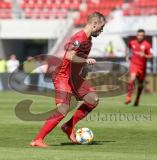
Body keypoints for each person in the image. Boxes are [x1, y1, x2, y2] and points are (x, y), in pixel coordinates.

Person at [30, 12, 106, 147]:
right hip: (62, 76)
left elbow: (78, 61)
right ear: (94, 24)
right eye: (101, 27)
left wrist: (84, 68)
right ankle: (38, 139)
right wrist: (86, 60)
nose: (102, 30)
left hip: (75, 77)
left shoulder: (89, 41)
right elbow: (69, 56)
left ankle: (68, 126)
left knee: (93, 100)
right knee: (63, 109)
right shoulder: (78, 37)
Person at [125, 29, 153, 106]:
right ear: (136, 35)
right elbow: (128, 47)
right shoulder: (132, 42)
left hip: (142, 67)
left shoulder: (147, 45)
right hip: (134, 65)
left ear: (144, 36)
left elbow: (151, 55)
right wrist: (127, 56)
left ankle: (137, 98)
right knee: (132, 79)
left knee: (140, 85)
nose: (140, 37)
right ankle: (128, 97)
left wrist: (145, 55)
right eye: (139, 35)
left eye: (142, 35)